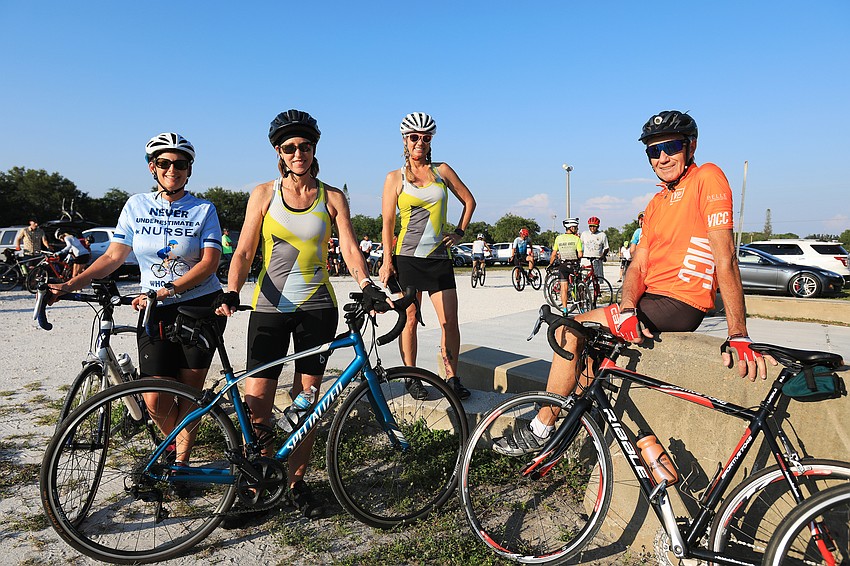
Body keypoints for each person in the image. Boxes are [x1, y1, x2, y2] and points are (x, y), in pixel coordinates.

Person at [494, 110, 775, 455]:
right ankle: (586, 421)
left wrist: (738, 333)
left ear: (691, 146)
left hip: (681, 302)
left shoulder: (708, 177)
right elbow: (638, 265)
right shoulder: (655, 203)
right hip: (652, 298)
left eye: (671, 147)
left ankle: (540, 429)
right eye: (653, 152)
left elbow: (725, 258)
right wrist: (626, 308)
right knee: (589, 348)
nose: (662, 158)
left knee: (568, 330)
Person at [216, 109, 387, 521]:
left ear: (314, 149)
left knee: (308, 402)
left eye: (305, 146)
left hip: (317, 308)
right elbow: (244, 250)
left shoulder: (332, 196)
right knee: (257, 402)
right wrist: (231, 290)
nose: (298, 153)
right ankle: (256, 483)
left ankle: (296, 484)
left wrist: (366, 284)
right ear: (279, 151)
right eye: (290, 147)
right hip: (269, 308)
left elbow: (348, 247)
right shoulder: (263, 194)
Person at [50, 132, 224, 469]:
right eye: (164, 163)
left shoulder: (204, 209)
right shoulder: (136, 205)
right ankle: (174, 447)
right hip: (154, 309)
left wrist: (168, 289)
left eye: (180, 163)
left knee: (189, 395)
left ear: (189, 169)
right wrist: (72, 282)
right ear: (152, 167)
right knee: (155, 399)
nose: (173, 169)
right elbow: (114, 255)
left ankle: (181, 466)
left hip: (200, 306)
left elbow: (209, 263)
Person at [379, 112, 476, 401]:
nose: (419, 142)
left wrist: (459, 232)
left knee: (449, 322)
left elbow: (469, 201)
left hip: (439, 258)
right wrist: (387, 260)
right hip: (407, 257)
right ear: (405, 141)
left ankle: (452, 378)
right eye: (414, 137)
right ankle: (411, 377)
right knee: (409, 319)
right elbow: (386, 223)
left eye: (425, 137)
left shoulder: (442, 170)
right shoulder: (394, 178)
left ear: (431, 140)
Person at [549, 218, 583, 314]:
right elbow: (580, 255)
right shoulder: (577, 239)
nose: (577, 229)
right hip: (574, 265)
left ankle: (565, 310)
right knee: (579, 284)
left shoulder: (558, 238)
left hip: (563, 265)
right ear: (571, 227)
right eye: (576, 227)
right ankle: (581, 304)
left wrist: (550, 264)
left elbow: (554, 254)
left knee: (563, 288)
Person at [580, 216, 609, 281]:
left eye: (594, 226)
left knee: (597, 279)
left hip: (597, 260)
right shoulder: (584, 234)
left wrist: (603, 255)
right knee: (584, 279)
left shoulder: (602, 235)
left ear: (598, 226)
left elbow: (606, 247)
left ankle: (597, 291)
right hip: (586, 260)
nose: (592, 228)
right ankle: (582, 290)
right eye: (590, 226)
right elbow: (580, 245)